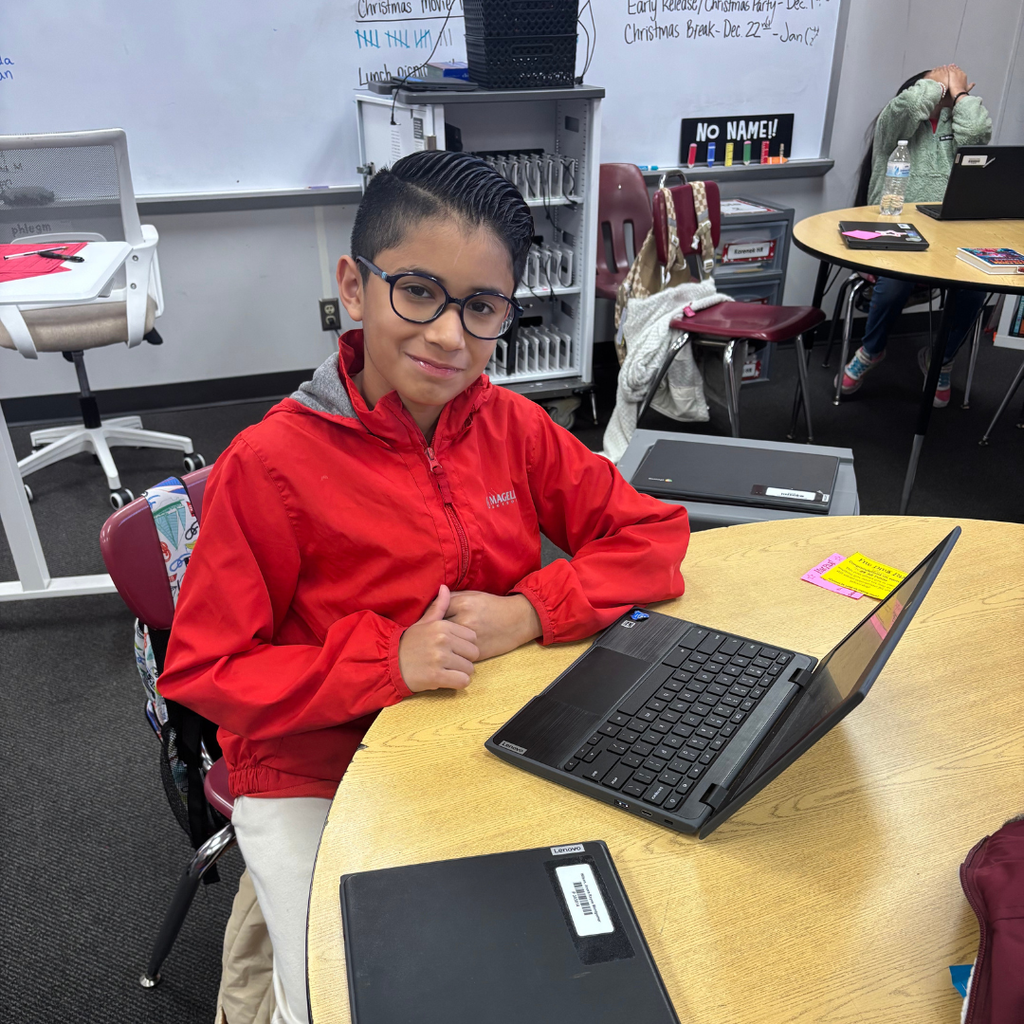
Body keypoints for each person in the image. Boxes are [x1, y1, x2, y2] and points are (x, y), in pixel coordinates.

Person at [158, 151, 690, 1024]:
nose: (449, 335)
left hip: (487, 730)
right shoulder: (270, 464)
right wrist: (388, 661)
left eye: (481, 307)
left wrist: (530, 611)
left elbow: (653, 535)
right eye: (417, 292)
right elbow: (206, 670)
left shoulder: (513, 427)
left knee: (588, 940)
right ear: (354, 287)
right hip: (313, 767)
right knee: (351, 994)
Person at [840, 64, 992, 407]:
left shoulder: (957, 125)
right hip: (894, 231)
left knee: (975, 288)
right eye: (938, 84)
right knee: (895, 281)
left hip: (948, 236)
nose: (945, 87)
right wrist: (937, 82)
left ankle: (941, 358)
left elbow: (978, 135)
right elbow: (909, 106)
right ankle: (871, 350)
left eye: (947, 85)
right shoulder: (895, 122)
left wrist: (961, 95)